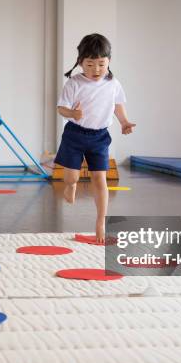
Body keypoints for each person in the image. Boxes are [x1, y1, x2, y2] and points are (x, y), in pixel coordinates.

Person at [55, 33, 136, 244]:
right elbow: (61, 108)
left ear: (109, 61)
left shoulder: (113, 83)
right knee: (71, 177)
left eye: (101, 64)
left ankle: (100, 221)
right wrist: (72, 114)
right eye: (90, 64)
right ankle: (71, 186)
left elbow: (118, 105)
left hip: (100, 136)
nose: (96, 70)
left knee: (100, 179)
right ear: (80, 62)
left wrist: (124, 122)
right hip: (75, 134)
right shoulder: (74, 83)